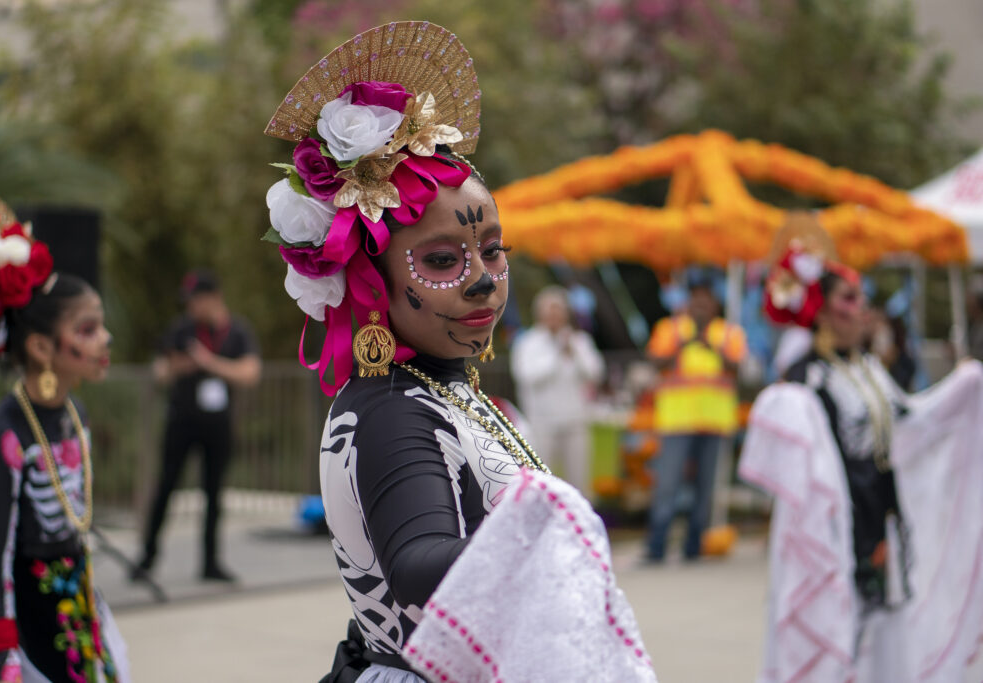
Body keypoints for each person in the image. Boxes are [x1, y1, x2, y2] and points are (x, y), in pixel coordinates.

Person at [262, 21, 657, 683]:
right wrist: (551, 526)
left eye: (492, 251)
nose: (481, 278)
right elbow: (419, 566)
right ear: (372, 281)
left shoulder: (439, 390)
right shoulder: (391, 410)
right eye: (442, 260)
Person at [741, 213, 983, 682]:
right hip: (838, 525)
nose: (862, 308)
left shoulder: (868, 367)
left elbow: (909, 425)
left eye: (861, 298)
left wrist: (964, 389)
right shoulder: (805, 378)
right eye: (849, 298)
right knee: (840, 628)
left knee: (887, 628)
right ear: (821, 309)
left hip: (884, 517)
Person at [0, 193, 130, 682]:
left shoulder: (75, 415)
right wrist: (2, 650)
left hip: (76, 606)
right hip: (24, 617)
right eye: (89, 329)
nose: (106, 340)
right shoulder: (3, 435)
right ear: (40, 346)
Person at [133, 270, 260, 583]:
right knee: (165, 487)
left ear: (213, 298)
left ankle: (210, 563)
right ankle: (146, 558)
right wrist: (178, 366)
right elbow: (160, 371)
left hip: (218, 426)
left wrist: (209, 362)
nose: (191, 307)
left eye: (196, 300)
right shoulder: (182, 329)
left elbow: (250, 372)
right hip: (181, 422)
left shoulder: (237, 331)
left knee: (214, 494)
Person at [644, 269, 747, 562]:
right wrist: (684, 345)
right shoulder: (671, 329)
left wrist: (712, 346)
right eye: (696, 300)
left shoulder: (729, 333)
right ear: (688, 303)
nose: (701, 305)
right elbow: (655, 361)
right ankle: (657, 546)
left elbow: (740, 369)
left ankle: (693, 547)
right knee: (668, 485)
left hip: (715, 423)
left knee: (706, 487)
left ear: (715, 305)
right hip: (677, 421)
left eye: (707, 300)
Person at [510, 286, 604, 496]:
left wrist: (574, 353)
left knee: (579, 481)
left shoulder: (578, 340)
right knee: (539, 480)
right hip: (542, 423)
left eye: (558, 310)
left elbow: (595, 373)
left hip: (575, 421)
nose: (554, 315)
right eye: (549, 310)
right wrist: (556, 353)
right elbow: (528, 376)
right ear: (540, 313)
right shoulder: (528, 342)